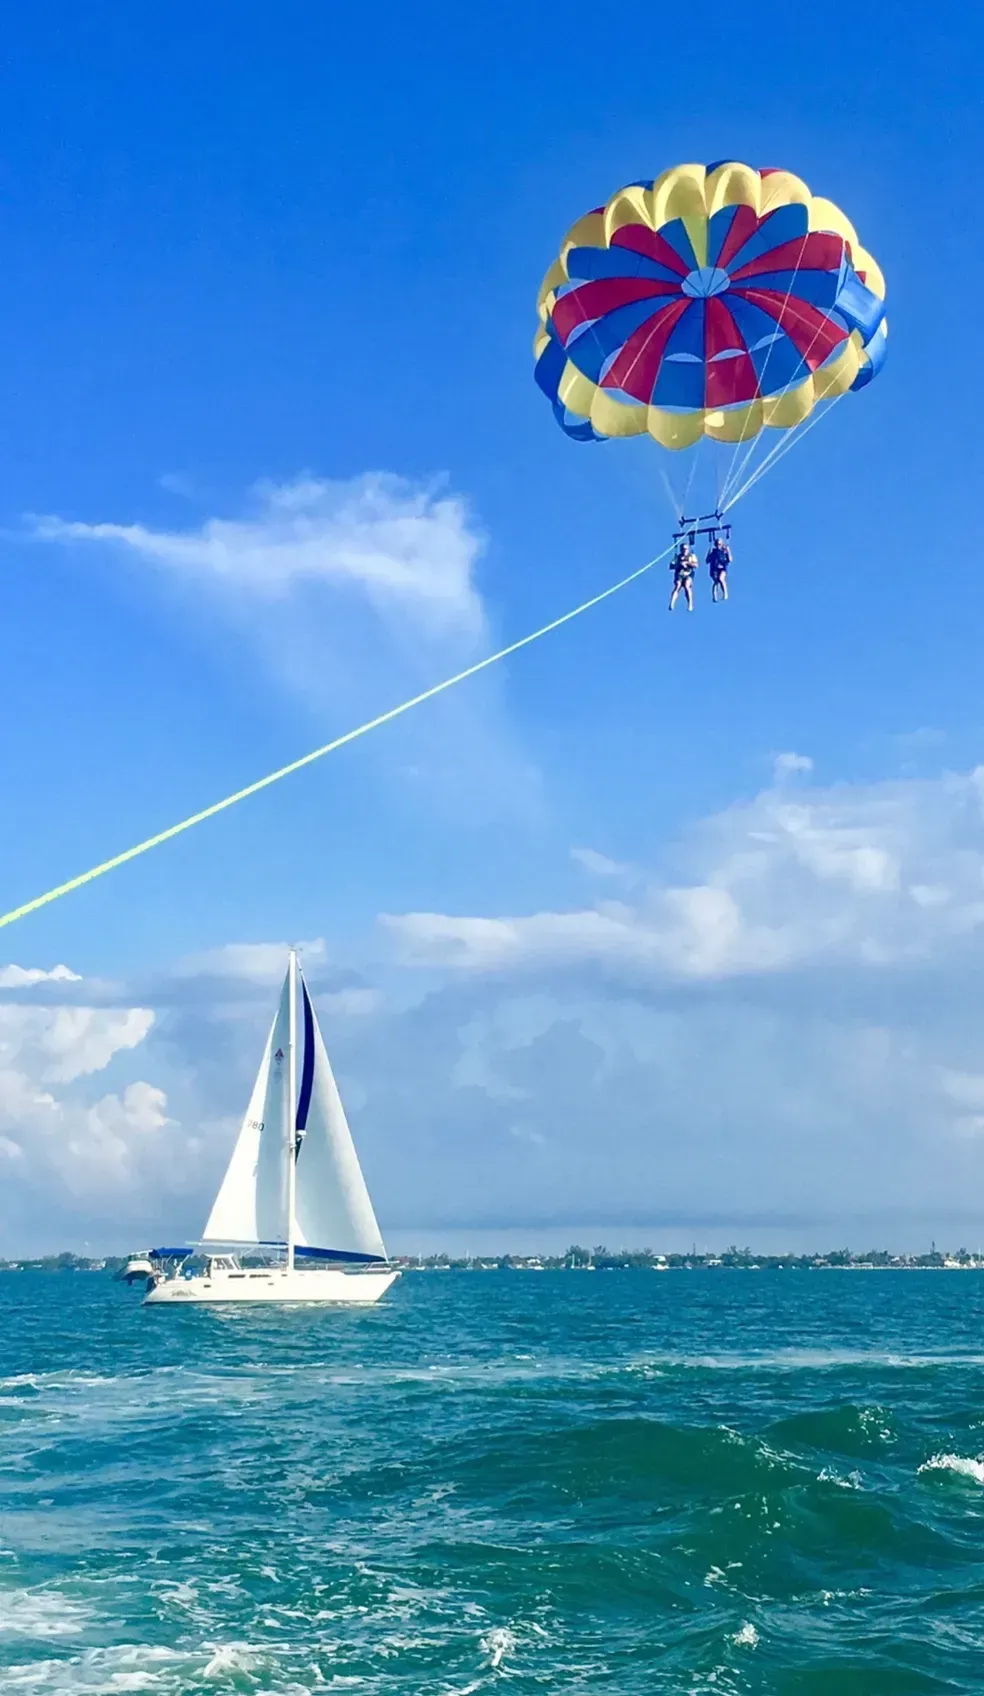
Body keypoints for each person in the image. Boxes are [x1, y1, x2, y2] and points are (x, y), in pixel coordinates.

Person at [669, 541, 698, 612]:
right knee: (677, 585)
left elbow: (696, 565)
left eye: (686, 549)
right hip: (679, 574)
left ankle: (690, 604)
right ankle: (672, 603)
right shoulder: (677, 557)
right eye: (683, 549)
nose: (684, 550)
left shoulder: (692, 556)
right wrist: (679, 564)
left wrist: (687, 563)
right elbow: (671, 566)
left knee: (687, 586)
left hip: (688, 573)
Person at [707, 535, 731, 602]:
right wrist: (709, 553)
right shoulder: (713, 552)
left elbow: (730, 560)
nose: (718, 546)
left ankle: (725, 593)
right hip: (714, 569)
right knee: (716, 582)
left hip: (722, 568)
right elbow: (707, 561)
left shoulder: (724, 551)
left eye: (720, 544)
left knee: (721, 579)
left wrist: (728, 551)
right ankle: (714, 596)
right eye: (717, 544)